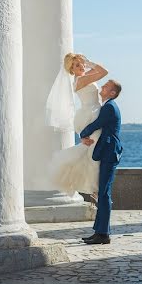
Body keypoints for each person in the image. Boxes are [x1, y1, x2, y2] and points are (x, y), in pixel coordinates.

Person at [46, 53, 109, 199]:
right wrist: (89, 62)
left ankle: (93, 187)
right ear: (71, 69)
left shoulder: (84, 76)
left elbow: (101, 70)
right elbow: (104, 72)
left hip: (93, 111)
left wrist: (87, 63)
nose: (81, 66)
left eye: (81, 63)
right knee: (92, 149)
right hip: (90, 114)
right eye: (76, 65)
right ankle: (95, 189)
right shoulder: (81, 79)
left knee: (90, 149)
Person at [79, 79, 122, 245]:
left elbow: (97, 124)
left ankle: (103, 234)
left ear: (112, 93)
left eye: (105, 87)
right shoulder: (109, 106)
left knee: (103, 194)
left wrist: (82, 134)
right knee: (103, 194)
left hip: (109, 153)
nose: (102, 87)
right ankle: (100, 232)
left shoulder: (109, 107)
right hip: (108, 152)